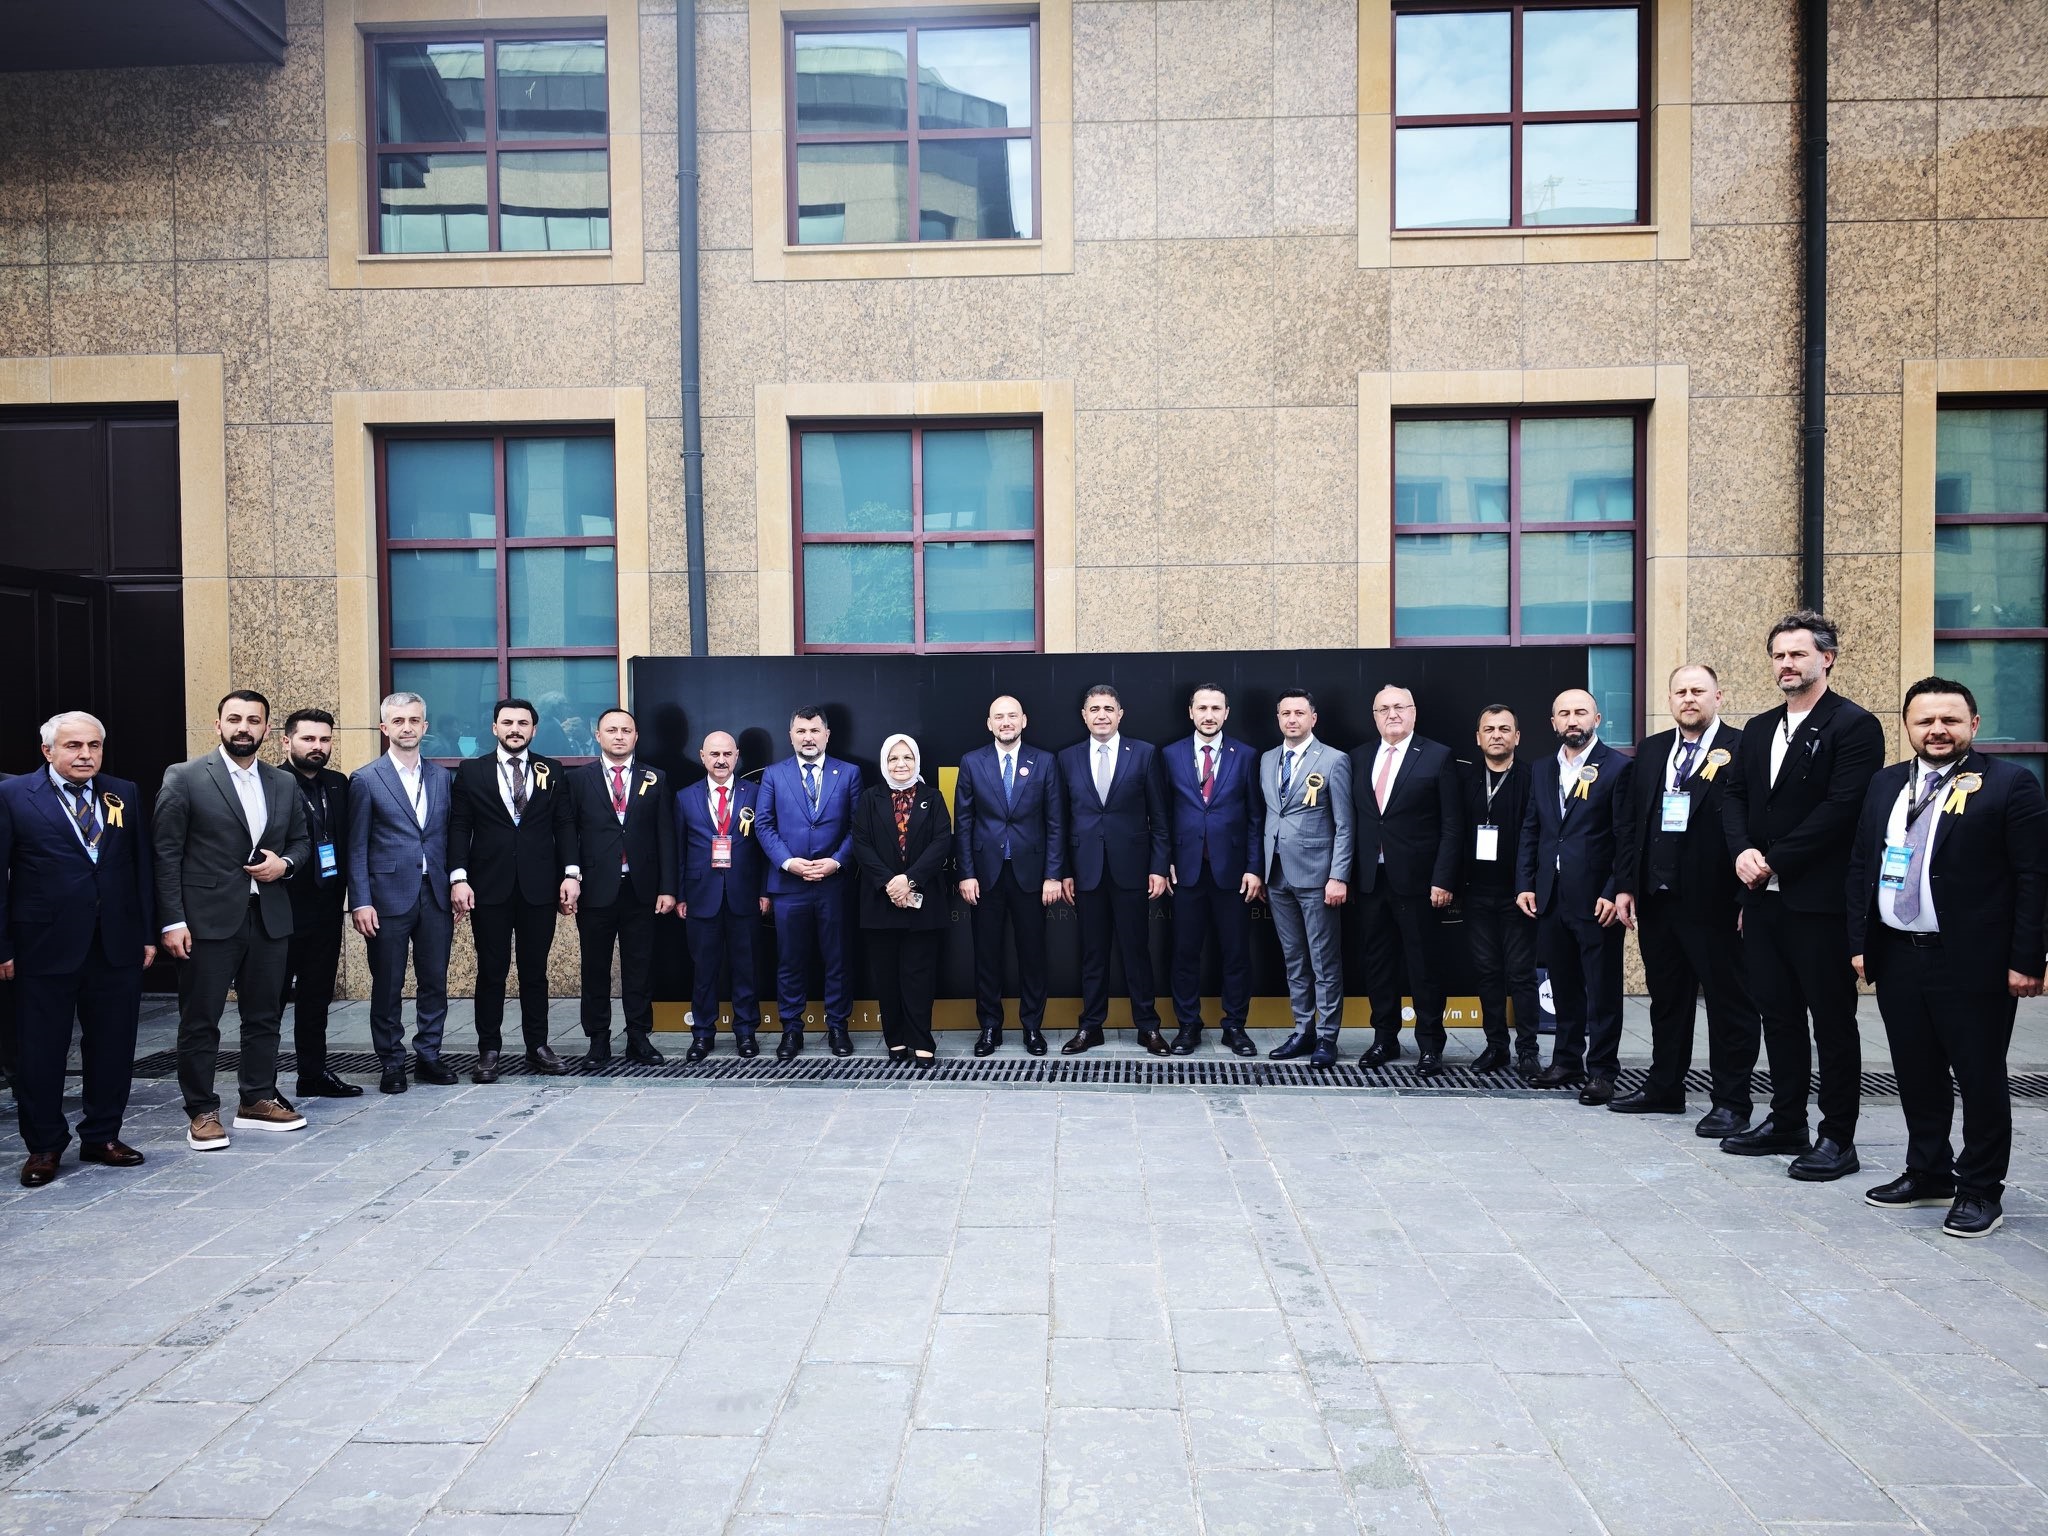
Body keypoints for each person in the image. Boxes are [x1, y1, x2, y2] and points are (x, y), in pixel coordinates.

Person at [1847, 678, 2047, 1239]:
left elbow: (2034, 877)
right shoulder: (1886, 783)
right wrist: (1859, 942)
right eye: (1925, 721)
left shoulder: (2010, 784)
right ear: (1907, 727)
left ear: (1973, 725)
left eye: (1950, 720)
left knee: (1980, 1077)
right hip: (1898, 954)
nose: (1937, 730)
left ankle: (1981, 1189)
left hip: (1974, 960)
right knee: (1916, 1072)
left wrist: (2028, 958)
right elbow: (1863, 863)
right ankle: (1929, 1171)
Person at [1721, 610, 1885, 1179]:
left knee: (1832, 1023)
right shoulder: (1759, 728)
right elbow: (1734, 797)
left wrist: (1774, 860)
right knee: (1778, 1016)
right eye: (1779, 655)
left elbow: (1842, 809)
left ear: (1826, 658)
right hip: (1762, 902)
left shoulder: (1854, 725)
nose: (1786, 664)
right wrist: (1742, 851)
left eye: (1797, 654)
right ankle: (1786, 1119)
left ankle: (1838, 1137)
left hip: (1820, 904)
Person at [0, 713, 155, 1187]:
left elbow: (140, 866)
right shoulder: (13, 795)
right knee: (40, 1051)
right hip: (42, 946)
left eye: (94, 745)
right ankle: (45, 1146)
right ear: (47, 751)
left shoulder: (122, 792)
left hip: (115, 944)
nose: (85, 754)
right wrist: (2, 945)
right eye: (73, 746)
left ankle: (102, 1135)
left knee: (113, 1046)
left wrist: (147, 933)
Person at [156, 690, 311, 1148]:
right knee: (200, 1019)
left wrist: (285, 864)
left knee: (264, 1015)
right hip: (206, 920)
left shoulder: (283, 783)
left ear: (267, 728)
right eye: (235, 719)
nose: (244, 727)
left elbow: (302, 841)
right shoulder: (185, 777)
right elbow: (166, 854)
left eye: (253, 720)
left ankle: (257, 1098)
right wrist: (172, 921)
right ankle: (202, 1111)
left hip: (268, 916)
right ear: (218, 724)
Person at [1611, 666, 1760, 1134]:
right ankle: (1664, 1087)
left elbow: (1756, 826)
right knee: (1667, 1001)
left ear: (1719, 696)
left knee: (1728, 1004)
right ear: (1670, 699)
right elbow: (1631, 823)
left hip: (1717, 904)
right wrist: (1625, 885)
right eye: (1681, 691)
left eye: (1698, 691)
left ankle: (1731, 1102)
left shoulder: (1743, 748)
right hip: (1658, 900)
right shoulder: (1653, 749)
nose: (1689, 698)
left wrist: (1746, 897)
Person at [448, 697, 578, 1083]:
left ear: (534, 729)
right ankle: (488, 1050)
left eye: (523, 723)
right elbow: (459, 826)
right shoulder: (471, 771)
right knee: (492, 970)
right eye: (507, 723)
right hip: (489, 886)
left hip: (539, 886)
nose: (515, 729)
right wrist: (459, 877)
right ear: (495, 728)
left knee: (535, 971)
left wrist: (571, 874)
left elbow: (564, 824)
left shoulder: (551, 770)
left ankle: (538, 1046)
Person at [1516, 688, 1633, 1105]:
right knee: (1563, 984)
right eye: (1563, 713)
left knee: (1601, 989)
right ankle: (1566, 1061)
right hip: (1550, 894)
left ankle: (1602, 1071)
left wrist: (1614, 890)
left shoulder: (1618, 767)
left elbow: (1626, 837)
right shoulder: (1543, 768)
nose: (1572, 720)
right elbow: (1532, 828)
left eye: (1580, 712)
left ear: (1596, 719)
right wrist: (1525, 883)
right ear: (1553, 722)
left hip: (1596, 899)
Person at [348, 690, 457, 1094]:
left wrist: (456, 882)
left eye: (413, 720)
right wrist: (360, 900)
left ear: (424, 726)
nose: (406, 727)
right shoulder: (366, 778)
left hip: (435, 895)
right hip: (386, 897)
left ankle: (429, 1056)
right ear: (384, 728)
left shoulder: (442, 777)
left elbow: (447, 836)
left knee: (435, 981)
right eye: (398, 721)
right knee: (388, 984)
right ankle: (391, 1062)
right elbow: (356, 846)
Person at [1351, 685, 1461, 1077]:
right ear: (1374, 716)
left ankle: (1430, 1045)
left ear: (1413, 712)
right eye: (1383, 708)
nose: (1392, 714)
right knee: (1378, 965)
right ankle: (1385, 1039)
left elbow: (1452, 825)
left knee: (1423, 966)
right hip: (1371, 881)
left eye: (1399, 706)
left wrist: (1443, 878)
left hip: (1419, 883)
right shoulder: (1359, 756)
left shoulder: (1437, 755)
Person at [1055, 685, 1170, 1055]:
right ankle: (1091, 1026)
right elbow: (1060, 821)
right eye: (1094, 709)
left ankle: (1148, 1027)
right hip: (1086, 871)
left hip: (1133, 871)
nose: (1101, 715)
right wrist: (1065, 870)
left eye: (1108, 708)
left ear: (1120, 714)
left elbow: (1160, 818)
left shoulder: (1145, 753)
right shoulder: (1067, 758)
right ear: (1084, 716)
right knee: (1092, 954)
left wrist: (1158, 867)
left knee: (1137, 952)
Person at [562, 708, 677, 1066]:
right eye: (611, 730)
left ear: (636, 736)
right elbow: (568, 831)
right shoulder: (578, 780)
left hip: (641, 889)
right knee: (595, 967)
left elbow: (666, 835)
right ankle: (598, 1039)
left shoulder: (655, 777)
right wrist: (570, 876)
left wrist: (668, 887)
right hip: (595, 888)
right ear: (598, 736)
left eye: (626, 730)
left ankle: (638, 1037)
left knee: (639, 967)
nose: (619, 736)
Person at [953, 695, 1065, 1057]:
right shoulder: (972, 762)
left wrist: (1053, 874)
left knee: (1032, 954)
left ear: (1023, 720)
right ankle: (990, 1027)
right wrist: (966, 873)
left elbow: (1055, 822)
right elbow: (964, 822)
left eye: (1012, 716)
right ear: (989, 724)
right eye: (999, 717)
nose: (1006, 722)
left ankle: (1032, 1027)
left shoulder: (1044, 762)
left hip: (1031, 875)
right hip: (985, 876)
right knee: (987, 955)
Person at [1162, 684, 1264, 1057]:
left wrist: (1254, 867)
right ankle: (1188, 1025)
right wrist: (1163, 861)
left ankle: (1235, 1026)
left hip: (1233, 873)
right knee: (1184, 953)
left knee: (1235, 953)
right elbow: (1161, 815)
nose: (1209, 715)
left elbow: (1256, 817)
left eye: (1215, 708)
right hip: (1186, 871)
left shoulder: (1246, 755)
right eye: (1202, 708)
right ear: (1190, 712)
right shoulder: (1170, 754)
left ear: (1226, 713)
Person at [757, 707, 862, 1060]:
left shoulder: (849, 773)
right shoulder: (774, 775)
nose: (808, 737)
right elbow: (764, 825)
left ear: (827, 735)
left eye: (814, 730)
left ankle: (838, 1028)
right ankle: (791, 1030)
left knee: (838, 959)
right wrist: (790, 863)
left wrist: (836, 862)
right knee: (790, 961)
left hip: (834, 884)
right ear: (791, 736)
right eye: (801, 731)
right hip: (790, 885)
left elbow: (858, 827)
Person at [1261, 689, 1353, 1067]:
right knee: (1294, 958)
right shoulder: (1268, 759)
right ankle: (1303, 1029)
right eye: (1286, 713)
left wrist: (1338, 875)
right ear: (1278, 718)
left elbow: (1345, 824)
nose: (1292, 719)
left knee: (1323, 960)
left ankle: (1327, 1036)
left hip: (1317, 876)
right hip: (1276, 875)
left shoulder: (1334, 760)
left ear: (1313, 718)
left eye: (1300, 713)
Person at [852, 734, 953, 1067]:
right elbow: (861, 844)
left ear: (917, 761)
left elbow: (941, 842)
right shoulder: (869, 798)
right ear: (884, 763)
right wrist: (889, 883)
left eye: (907, 758)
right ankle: (894, 1040)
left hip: (922, 902)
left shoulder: (933, 797)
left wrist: (909, 880)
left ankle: (921, 1040)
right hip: (880, 902)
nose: (900, 764)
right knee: (887, 977)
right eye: (893, 758)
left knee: (919, 976)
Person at [674, 730, 768, 1062]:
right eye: (714, 754)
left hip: (745, 895)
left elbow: (764, 847)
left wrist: (764, 891)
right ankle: (702, 1034)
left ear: (737, 756)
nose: (721, 760)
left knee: (746, 969)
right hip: (701, 896)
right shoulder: (685, 797)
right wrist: (680, 894)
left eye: (727, 754)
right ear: (702, 756)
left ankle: (746, 1032)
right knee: (704, 970)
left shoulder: (755, 793)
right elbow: (679, 851)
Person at [1457, 706, 1541, 1078]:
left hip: (1518, 894)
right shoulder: (1465, 779)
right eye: (1489, 729)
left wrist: (1528, 885)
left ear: (1517, 737)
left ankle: (1528, 1051)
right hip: (1476, 892)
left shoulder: (1533, 778)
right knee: (1487, 973)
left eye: (1504, 729)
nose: (1496, 735)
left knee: (1521, 975)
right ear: (1478, 738)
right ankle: (1496, 1047)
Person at [277, 709, 357, 1098]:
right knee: (271, 1002)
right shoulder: (271, 782)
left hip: (326, 909)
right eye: (308, 739)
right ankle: (260, 1085)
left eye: (324, 740)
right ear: (286, 741)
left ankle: (312, 1074)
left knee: (316, 997)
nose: (317, 747)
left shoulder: (338, 783)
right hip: (281, 910)